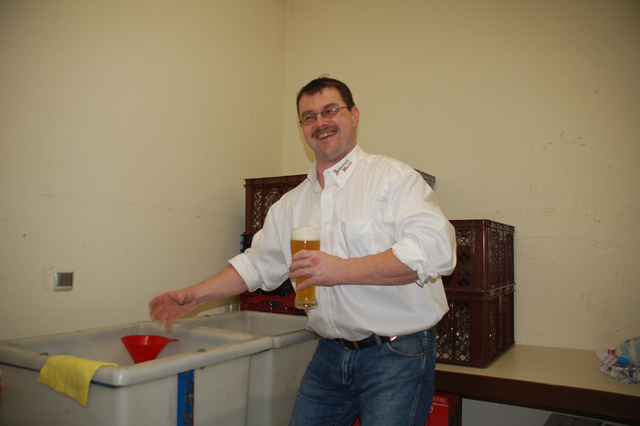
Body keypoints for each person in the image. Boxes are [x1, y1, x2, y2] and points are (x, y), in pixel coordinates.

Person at [149, 77, 456, 426]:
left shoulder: (393, 179)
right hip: (330, 353)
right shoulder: (290, 205)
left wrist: (338, 270)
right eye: (309, 117)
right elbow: (255, 265)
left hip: (397, 352)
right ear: (302, 130)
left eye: (330, 110)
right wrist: (195, 295)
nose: (320, 122)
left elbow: (435, 249)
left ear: (354, 115)